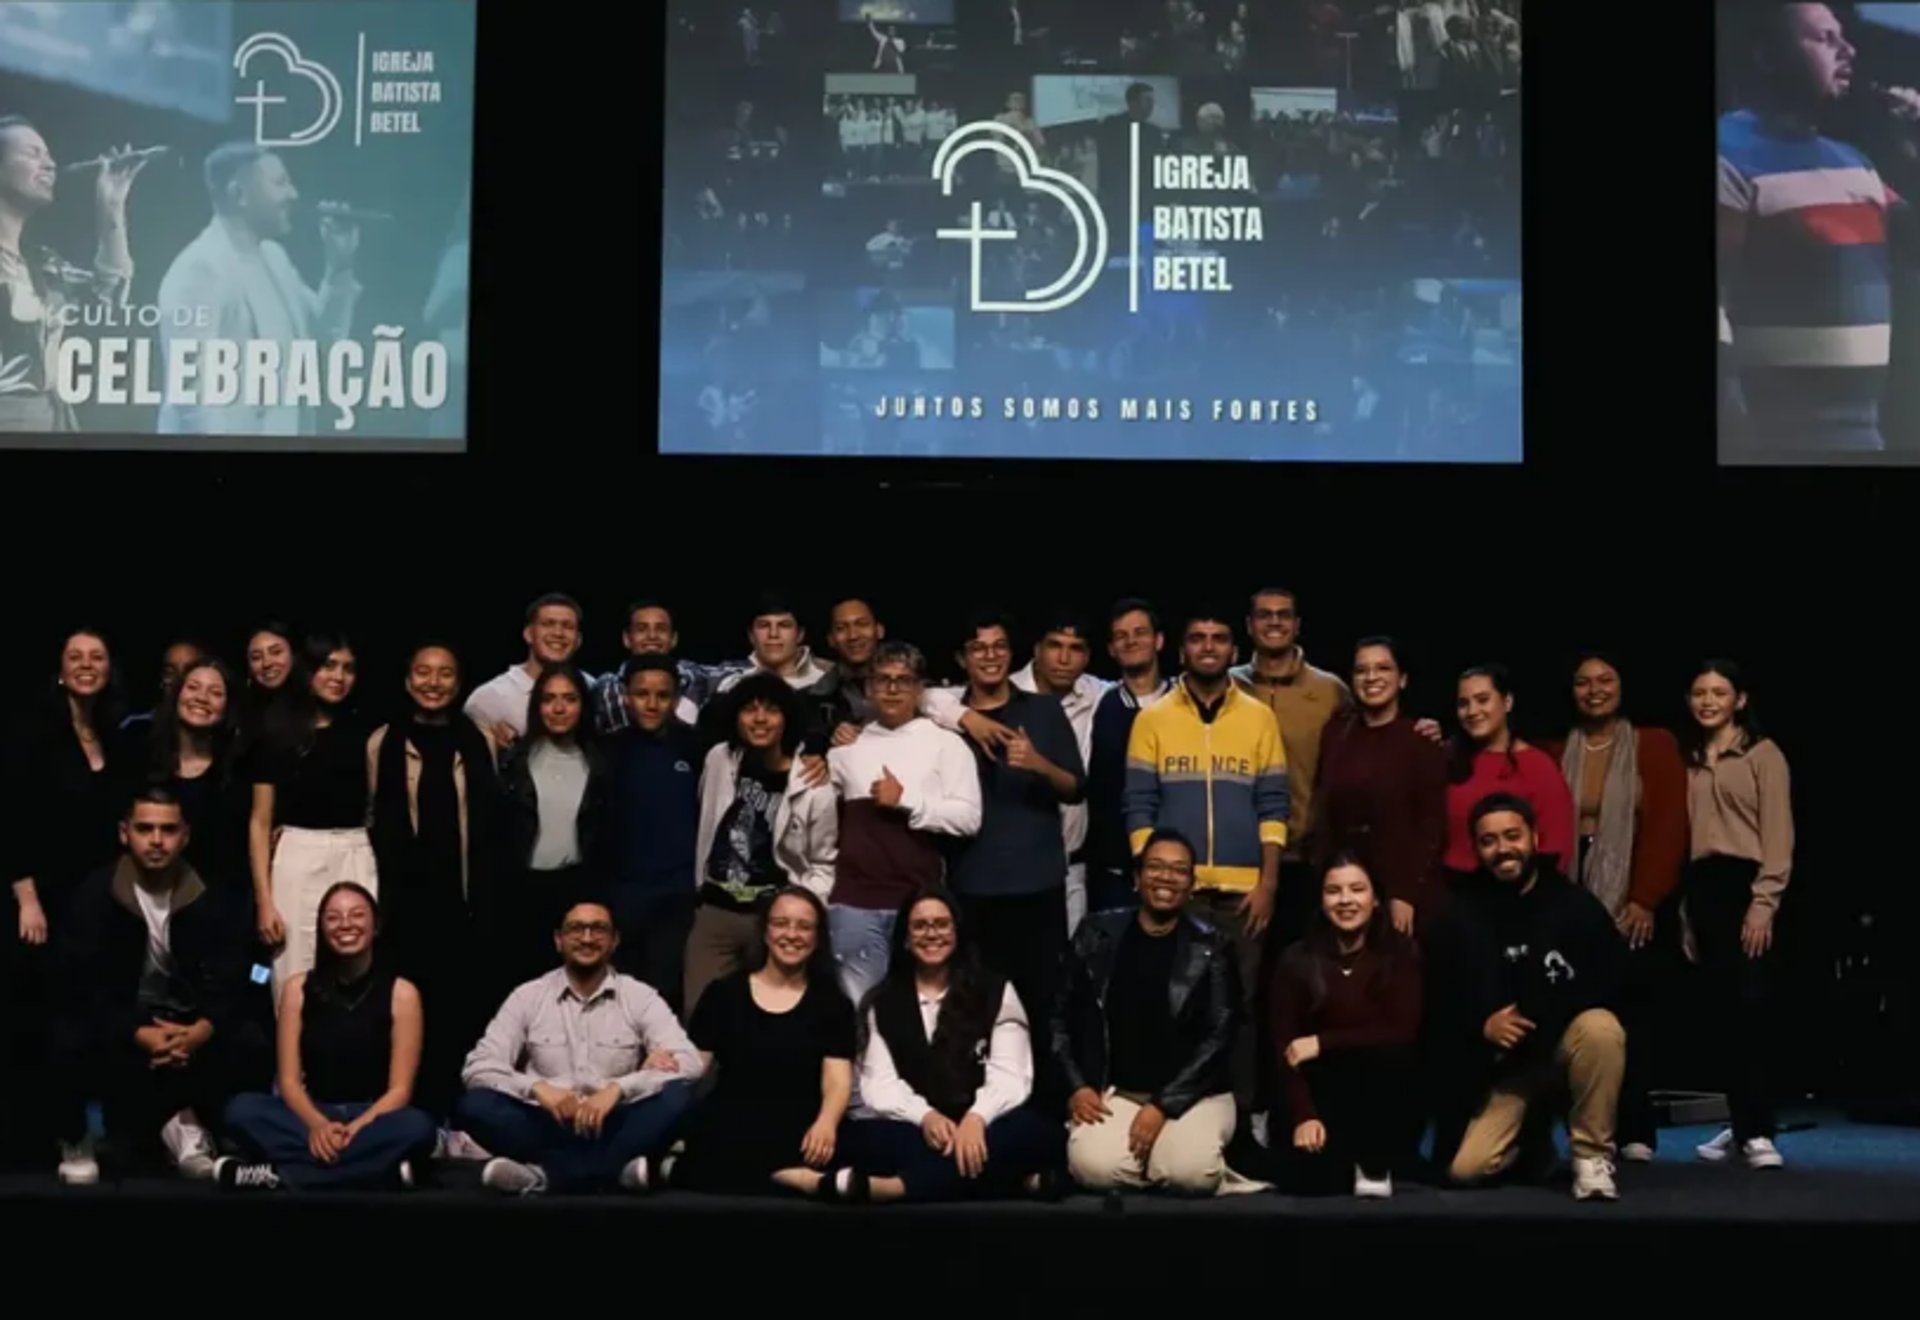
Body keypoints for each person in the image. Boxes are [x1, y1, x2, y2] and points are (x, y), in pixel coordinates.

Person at [1718, 3, 1913, 457]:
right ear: (1768, 55)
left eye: (1844, 38)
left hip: (1865, 444)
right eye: (1826, 39)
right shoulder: (1728, 153)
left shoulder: (1855, 163)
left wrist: (1915, 148)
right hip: (1776, 446)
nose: (1848, 50)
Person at [1124, 606, 1287, 1118]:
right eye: (1198, 637)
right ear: (1182, 649)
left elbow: (1274, 806)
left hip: (1244, 896)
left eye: (1219, 638)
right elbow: (1138, 806)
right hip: (1178, 895)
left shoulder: (1261, 717)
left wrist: (1269, 885)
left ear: (1234, 652)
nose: (1209, 646)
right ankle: (1174, 1114)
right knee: (1176, 1011)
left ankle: (1243, 1121)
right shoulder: (1152, 719)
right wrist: (1157, 880)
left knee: (1240, 1012)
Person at [54, 789, 263, 1184]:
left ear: (185, 836)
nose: (156, 840)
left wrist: (204, 1028)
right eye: (144, 828)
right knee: (68, 1034)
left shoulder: (212, 894)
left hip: (190, 1021)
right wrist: (137, 1030)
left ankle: (208, 1132)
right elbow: (82, 982)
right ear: (124, 833)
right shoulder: (95, 895)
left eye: (168, 830)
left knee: (252, 1036)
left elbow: (239, 972)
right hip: (127, 1021)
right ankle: (77, 1136)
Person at [1424, 794, 1626, 1202]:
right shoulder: (1458, 915)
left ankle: (1591, 1156)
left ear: (1534, 837)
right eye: (1489, 841)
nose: (1503, 849)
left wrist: (1544, 1016)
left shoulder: (1574, 906)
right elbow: (1437, 1003)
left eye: (1512, 836)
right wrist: (1481, 1025)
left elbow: (1616, 982)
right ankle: (1533, 1141)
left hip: (1564, 1051)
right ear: (1477, 849)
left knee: (1601, 1029)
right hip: (1505, 1069)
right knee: (1466, 1171)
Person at [1542, 653, 1689, 1160]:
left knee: (1632, 1015)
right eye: (1583, 682)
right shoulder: (1556, 749)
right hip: (1571, 890)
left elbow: (1669, 827)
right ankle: (1579, 1128)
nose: (1594, 690)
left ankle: (1635, 1132)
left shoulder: (1654, 745)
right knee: (1576, 1013)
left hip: (1630, 893)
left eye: (1605, 680)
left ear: (1623, 686)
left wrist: (1644, 898)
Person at [1055, 829, 1257, 1196]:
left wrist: (1163, 1106)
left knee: (1190, 1173)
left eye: (1179, 870)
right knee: (1091, 1168)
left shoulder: (1213, 945)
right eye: (1156, 867)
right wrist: (1077, 1086)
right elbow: (1059, 1017)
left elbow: (1221, 1034)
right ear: (1136, 877)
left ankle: (1180, 1164)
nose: (1166, 877)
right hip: (1118, 1092)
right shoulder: (1095, 932)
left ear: (1191, 884)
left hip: (1195, 1095)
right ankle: (1162, 1165)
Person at [457, 900, 702, 1195]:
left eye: (598, 929)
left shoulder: (640, 997)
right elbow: (478, 1067)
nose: (587, 938)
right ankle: (613, 1173)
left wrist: (619, 1088)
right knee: (476, 1104)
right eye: (576, 929)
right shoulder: (527, 996)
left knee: (677, 1099)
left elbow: (690, 1063)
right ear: (559, 940)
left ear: (614, 941)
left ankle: (543, 1175)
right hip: (544, 1124)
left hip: (615, 1124)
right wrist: (536, 1088)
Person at [843, 888, 1062, 1202]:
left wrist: (976, 1119)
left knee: (1037, 1134)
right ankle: (1009, 1182)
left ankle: (896, 1188)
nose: (931, 933)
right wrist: (926, 1117)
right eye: (920, 926)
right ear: (905, 938)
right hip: (920, 1128)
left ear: (957, 932)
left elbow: (1012, 1077)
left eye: (941, 924)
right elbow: (880, 1086)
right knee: (861, 1140)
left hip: (990, 1122)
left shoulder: (996, 990)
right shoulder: (883, 1001)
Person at [219, 883, 436, 1191]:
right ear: (321, 928)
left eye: (357, 915)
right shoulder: (296, 990)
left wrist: (353, 1131)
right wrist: (319, 1126)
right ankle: (379, 1173)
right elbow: (289, 1082)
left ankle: (284, 1176)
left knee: (419, 1127)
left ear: (375, 926)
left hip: (372, 1115)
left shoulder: (403, 994)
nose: (346, 924)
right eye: (333, 917)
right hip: (311, 1113)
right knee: (241, 1110)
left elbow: (399, 1091)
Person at [948, 613, 1084, 1095]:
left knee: (1044, 1007)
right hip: (971, 886)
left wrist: (1038, 763)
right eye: (978, 647)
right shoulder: (946, 714)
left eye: (1000, 646)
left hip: (1037, 884)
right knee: (974, 1009)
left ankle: (1047, 1117)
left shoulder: (1043, 711)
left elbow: (1075, 788)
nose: (990, 655)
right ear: (963, 658)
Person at [367, 643, 500, 1112]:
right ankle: (407, 1111)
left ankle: (457, 1117)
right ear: (407, 682)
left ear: (459, 683)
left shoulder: (480, 739)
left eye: (445, 674)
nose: (433, 682)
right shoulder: (382, 742)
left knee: (460, 1012)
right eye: (423, 672)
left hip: (465, 904)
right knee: (403, 1013)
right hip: (403, 909)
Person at [155, 142, 361, 436]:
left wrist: (339, 267)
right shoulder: (199, 271)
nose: (293, 194)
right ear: (239, 194)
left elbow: (321, 344)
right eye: (280, 183)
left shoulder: (275, 258)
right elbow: (193, 403)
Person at [673, 887, 858, 1197]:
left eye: (804, 926)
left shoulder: (833, 1003)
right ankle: (791, 1180)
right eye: (781, 923)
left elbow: (837, 1080)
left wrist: (826, 1123)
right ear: (765, 931)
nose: (791, 934)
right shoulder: (723, 993)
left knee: (842, 1146)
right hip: (734, 1115)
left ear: (817, 937)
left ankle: (677, 1171)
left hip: (800, 1118)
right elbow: (695, 1066)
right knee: (719, 1138)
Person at [1683, 660, 1795, 1171]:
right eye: (1699, 692)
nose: (1708, 701)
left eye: (1719, 692)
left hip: (1745, 886)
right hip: (1702, 890)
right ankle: (1740, 1119)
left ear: (1740, 700)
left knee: (1751, 1010)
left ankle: (1758, 1130)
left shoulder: (1762, 755)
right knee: (1721, 1017)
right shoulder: (1688, 760)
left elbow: (1778, 837)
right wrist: (1685, 915)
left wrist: (1763, 904)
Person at [825, 641, 982, 1004]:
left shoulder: (947, 744)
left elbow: (970, 818)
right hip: (853, 903)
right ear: (868, 689)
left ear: (919, 689)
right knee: (858, 1011)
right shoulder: (846, 747)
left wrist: (907, 802)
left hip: (919, 903)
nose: (893, 689)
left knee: (921, 1007)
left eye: (903, 680)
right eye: (883, 680)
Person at [1270, 856, 1422, 1198]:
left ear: (1376, 898)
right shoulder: (1296, 959)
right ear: (1321, 900)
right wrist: (1303, 1115)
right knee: (1313, 1184)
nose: (1346, 900)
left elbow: (1402, 1031)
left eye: (1357, 889)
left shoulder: (1401, 953)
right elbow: (1284, 1045)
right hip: (1319, 1092)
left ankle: (1374, 1160)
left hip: (1379, 1091)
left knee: (1389, 1060)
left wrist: (1323, 1042)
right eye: (1333, 891)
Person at [686, 673, 837, 1014]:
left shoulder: (813, 783)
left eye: (771, 710)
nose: (759, 719)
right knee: (700, 1019)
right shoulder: (719, 759)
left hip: (774, 918)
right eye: (749, 710)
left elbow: (824, 864)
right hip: (716, 911)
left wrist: (802, 911)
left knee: (773, 1018)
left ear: (787, 718)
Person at [249, 632, 375, 999]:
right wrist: (265, 901)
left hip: (356, 847)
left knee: (359, 966)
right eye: (328, 666)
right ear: (308, 671)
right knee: (294, 971)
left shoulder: (365, 729)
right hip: (298, 853)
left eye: (348, 668)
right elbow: (259, 821)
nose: (338, 676)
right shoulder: (276, 731)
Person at [0, 117, 146, 432]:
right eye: (32, 153)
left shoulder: (43, 264)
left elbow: (108, 295)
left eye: (49, 155)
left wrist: (111, 206)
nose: (50, 164)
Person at [1231, 587, 1353, 947]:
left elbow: (1371, 738)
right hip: (1239, 857)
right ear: (1250, 625)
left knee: (1303, 972)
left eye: (1283, 615)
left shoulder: (1330, 690)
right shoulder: (1228, 684)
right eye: (1264, 615)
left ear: (1297, 625)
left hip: (1306, 857)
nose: (1274, 622)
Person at [1315, 637, 1447, 934]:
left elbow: (1431, 827)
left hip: (1402, 894)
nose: (1371, 677)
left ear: (1402, 679)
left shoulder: (1421, 740)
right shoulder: (1335, 735)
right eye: (1362, 670)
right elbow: (1324, 810)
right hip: (1345, 890)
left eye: (1383, 668)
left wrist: (1405, 893)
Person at [601, 655, 705, 1010]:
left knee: (665, 994)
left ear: (676, 699)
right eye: (641, 694)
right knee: (618, 994)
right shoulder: (607, 749)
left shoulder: (696, 748)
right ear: (625, 697)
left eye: (662, 695)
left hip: (677, 894)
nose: (651, 703)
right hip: (622, 893)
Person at [497, 664, 607, 995]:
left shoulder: (601, 762)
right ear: (537, 706)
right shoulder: (513, 758)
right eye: (549, 699)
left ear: (583, 706)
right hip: (523, 891)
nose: (559, 709)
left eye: (569, 699)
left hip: (579, 888)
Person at [1012, 611, 1107, 935]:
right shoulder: (1004, 692)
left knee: (1068, 972)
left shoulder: (1099, 696)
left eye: (1076, 648)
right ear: (1037, 650)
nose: (1064, 658)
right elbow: (932, 698)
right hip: (1013, 864)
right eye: (1055, 646)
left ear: (1088, 656)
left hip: (1073, 867)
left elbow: (1152, 694)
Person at [1443, 664, 1574, 885]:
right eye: (1463, 704)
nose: (1472, 711)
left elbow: (1557, 847)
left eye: (1483, 699)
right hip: (1453, 893)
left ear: (1507, 702)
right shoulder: (1447, 758)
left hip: (1515, 893)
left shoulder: (1538, 766)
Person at [1086, 599, 1175, 916]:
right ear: (1111, 648)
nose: (1131, 640)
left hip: (1177, 869)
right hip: (1114, 872)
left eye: (1140, 632)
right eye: (1121, 636)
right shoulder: (1100, 703)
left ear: (1159, 640)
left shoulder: (1185, 702)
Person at [147, 658, 253, 918]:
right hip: (154, 905)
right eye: (193, 687)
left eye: (215, 693)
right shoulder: (145, 761)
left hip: (223, 909)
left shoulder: (240, 770)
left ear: (227, 708)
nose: (202, 698)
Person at [709, 594, 849, 748]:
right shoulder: (727, 680)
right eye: (763, 625)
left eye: (784, 625)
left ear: (800, 634)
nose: (773, 634)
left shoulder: (830, 676)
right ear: (751, 635)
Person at [587, 599, 733, 735]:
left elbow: (742, 673)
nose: (652, 636)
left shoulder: (695, 676)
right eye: (642, 629)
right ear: (627, 638)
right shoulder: (605, 686)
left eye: (661, 629)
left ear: (673, 639)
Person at [465, 594, 587, 745]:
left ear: (579, 640)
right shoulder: (489, 698)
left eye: (568, 626)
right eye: (548, 624)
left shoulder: (591, 688)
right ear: (528, 634)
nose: (558, 633)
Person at [121, 638, 208, 736]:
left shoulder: (216, 729)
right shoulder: (136, 727)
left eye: (188, 671)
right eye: (170, 672)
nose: (179, 680)